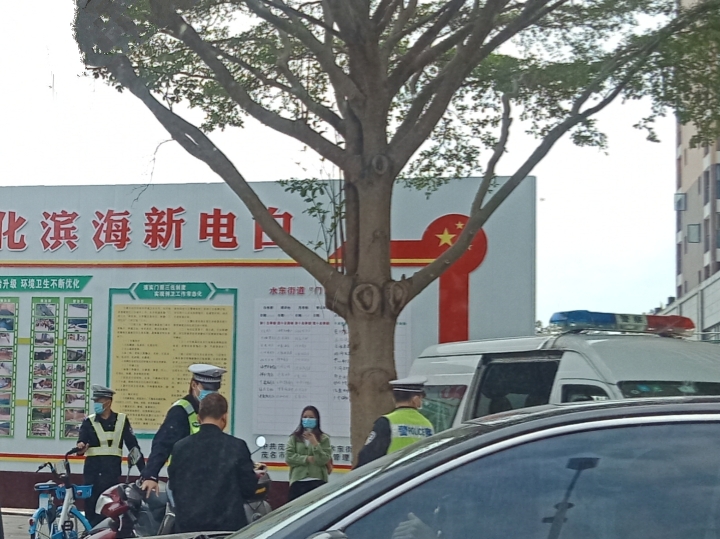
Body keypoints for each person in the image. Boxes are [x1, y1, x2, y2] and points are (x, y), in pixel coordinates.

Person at [168, 393, 260, 533]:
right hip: (226, 530)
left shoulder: (180, 447)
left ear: (199, 418)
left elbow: (174, 486)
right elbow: (248, 489)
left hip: (189, 530)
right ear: (224, 417)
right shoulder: (237, 447)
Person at [140, 364, 226, 497]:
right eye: (207, 389)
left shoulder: (215, 409)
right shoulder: (180, 410)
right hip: (185, 482)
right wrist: (151, 475)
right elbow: (163, 444)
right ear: (194, 385)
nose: (211, 394)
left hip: (210, 481)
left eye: (214, 390)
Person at [76, 385, 146, 527]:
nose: (96, 404)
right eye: (95, 401)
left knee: (111, 508)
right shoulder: (88, 421)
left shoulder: (122, 420)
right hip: (92, 473)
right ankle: (90, 532)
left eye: (99, 400)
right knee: (91, 507)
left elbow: (133, 448)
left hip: (111, 473)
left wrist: (144, 473)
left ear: (108, 401)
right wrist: (81, 448)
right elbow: (80, 445)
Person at [356, 376, 435, 468]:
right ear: (415, 400)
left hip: (392, 474)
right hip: (418, 473)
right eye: (421, 398)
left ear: (394, 399)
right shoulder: (427, 424)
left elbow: (368, 456)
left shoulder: (386, 421)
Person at [285, 406, 332, 501]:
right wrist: (306, 459)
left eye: (311, 417)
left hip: (317, 481)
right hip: (298, 482)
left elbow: (324, 459)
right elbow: (289, 458)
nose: (307, 419)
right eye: (305, 417)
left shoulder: (324, 438)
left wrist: (315, 444)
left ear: (317, 419)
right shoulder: (294, 438)